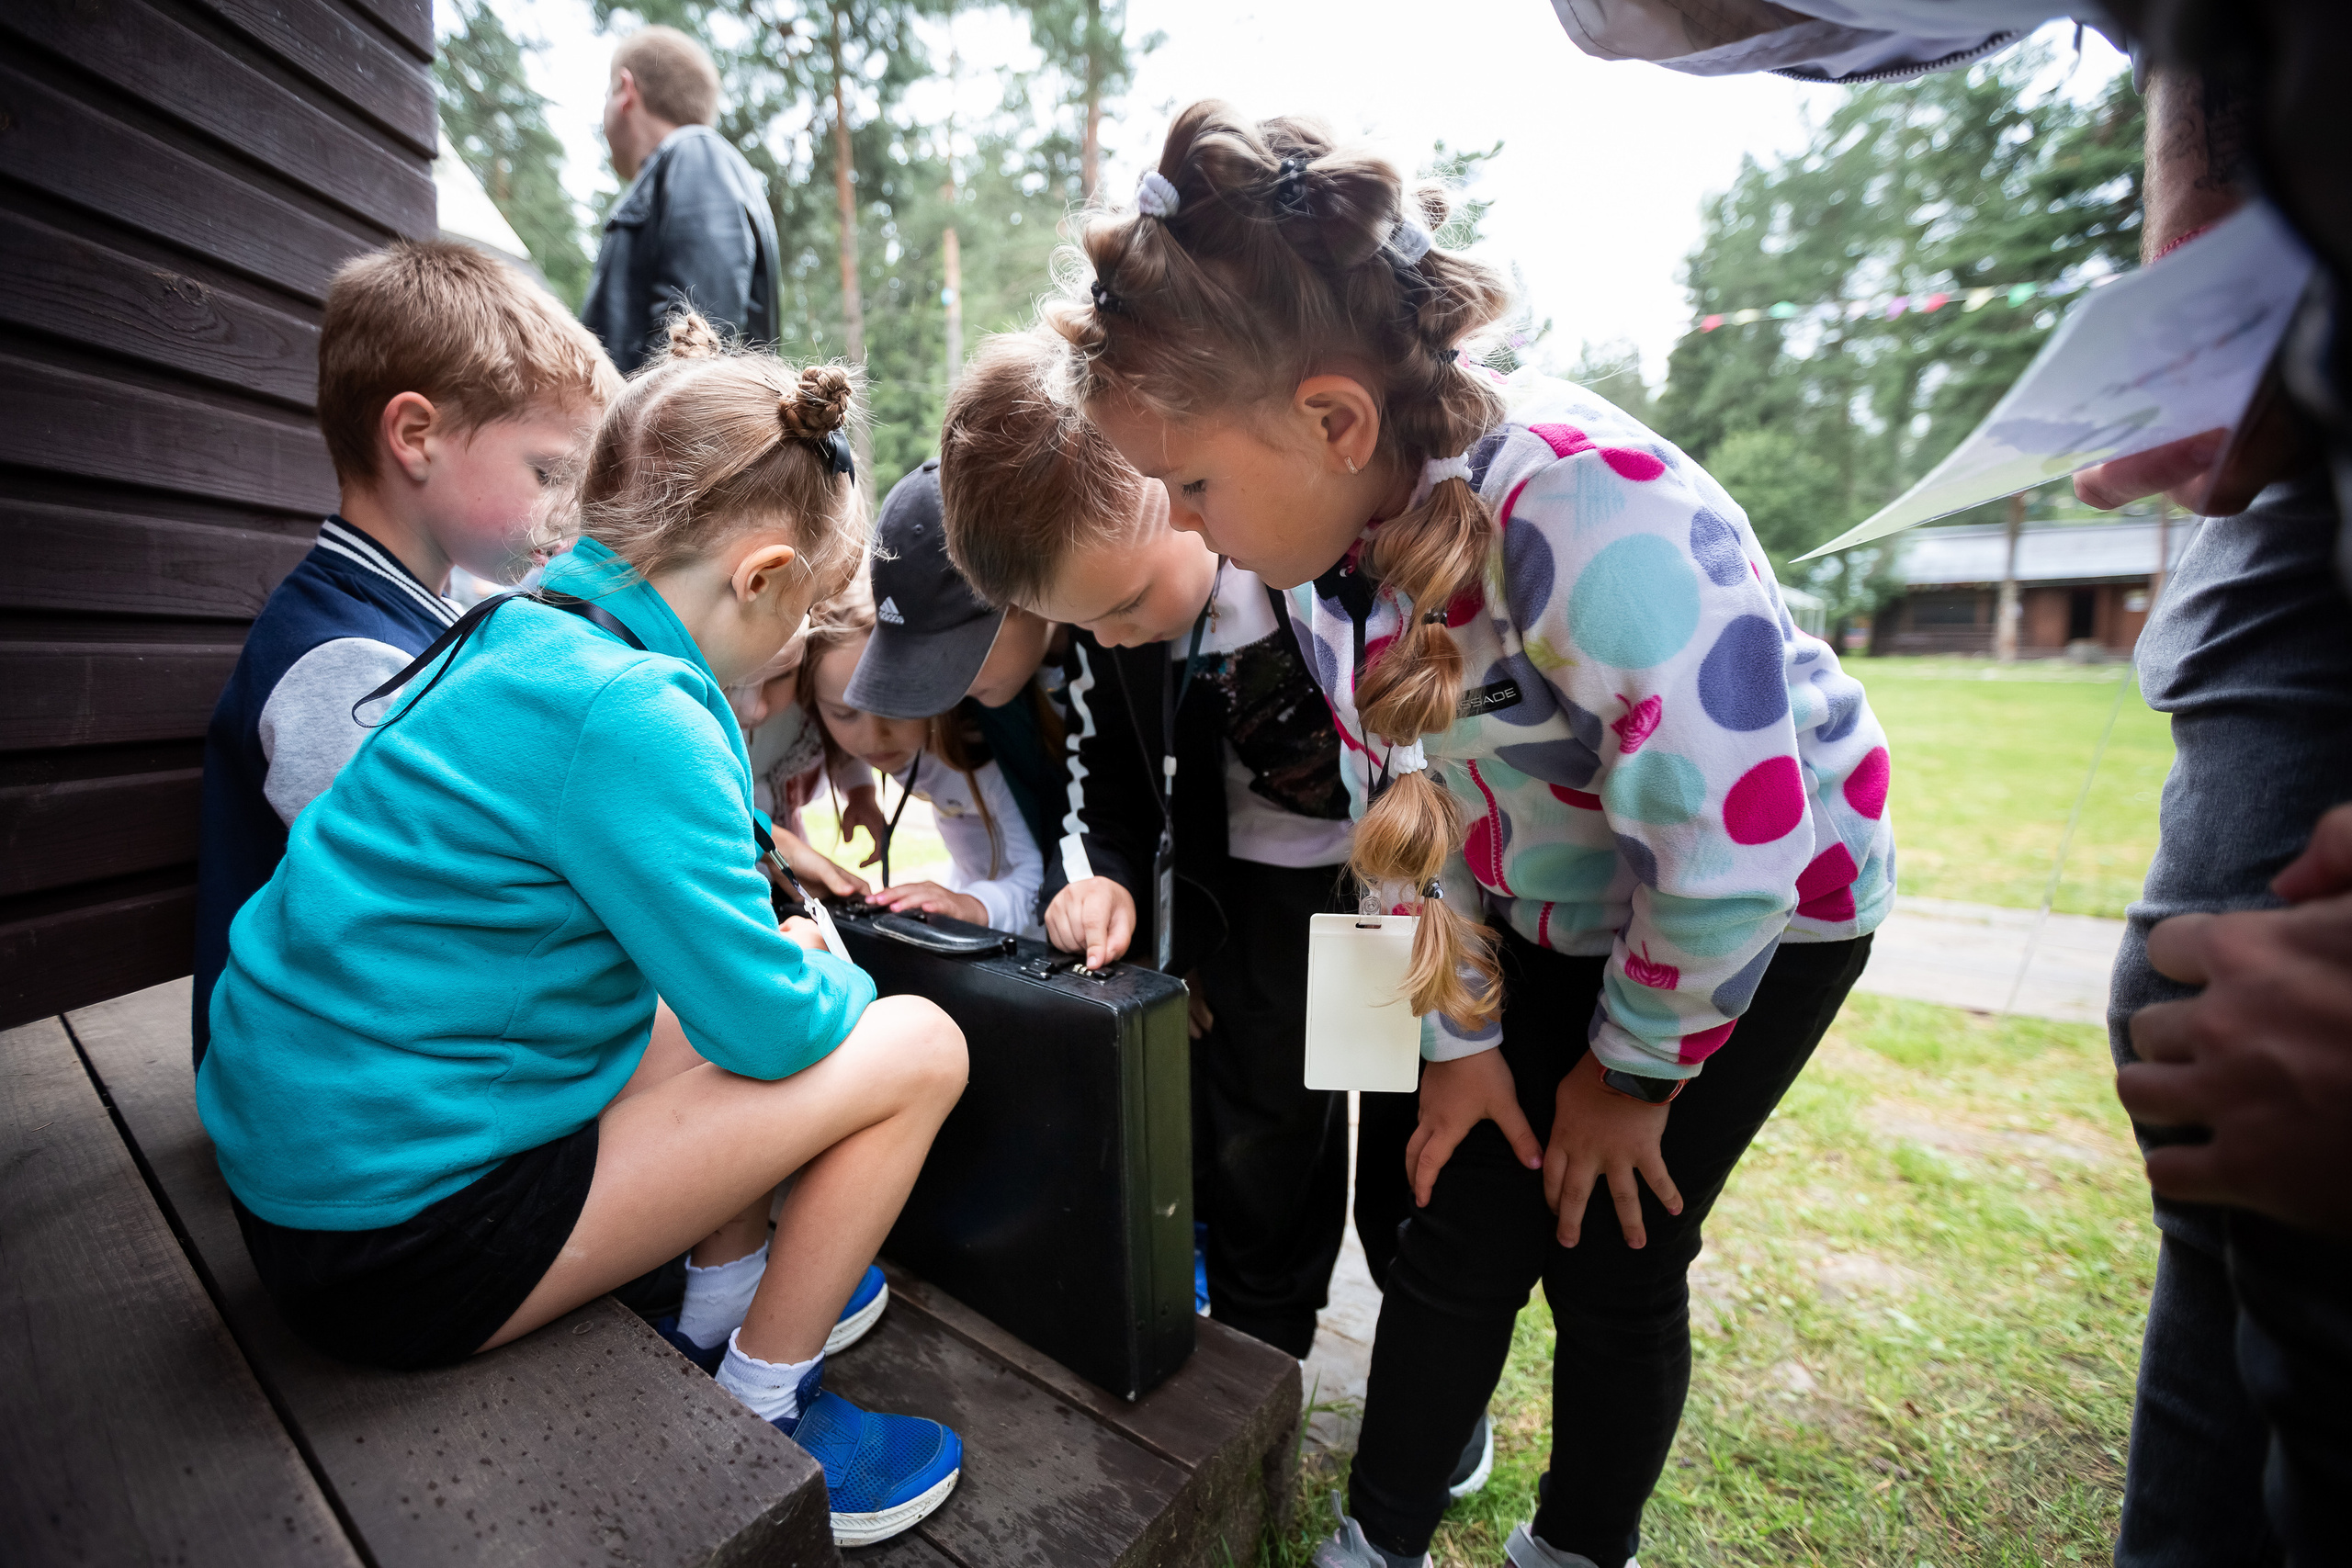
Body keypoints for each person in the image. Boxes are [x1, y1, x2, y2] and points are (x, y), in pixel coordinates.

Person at [1045, 105, 1894, 1568]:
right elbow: (1407, 825)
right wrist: (1466, 1045)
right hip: (1543, 903)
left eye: (1191, 484)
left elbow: (1729, 847)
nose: (1187, 523)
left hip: (1752, 919)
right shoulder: (1323, 572)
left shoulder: (1587, 507)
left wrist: (1629, 1078)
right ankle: (1375, 1539)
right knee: (1459, 1222)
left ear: (1332, 421)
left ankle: (1577, 1546)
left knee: (1617, 1243)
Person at [195, 314, 967, 1548]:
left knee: (682, 1002)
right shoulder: (638, 710)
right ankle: (770, 1404)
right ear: (761, 575)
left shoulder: (511, 632)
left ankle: (715, 1308)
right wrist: (824, 969)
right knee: (917, 1042)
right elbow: (769, 1025)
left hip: (308, 1181)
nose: (777, 682)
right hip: (400, 1246)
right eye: (799, 623)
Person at [938, 330, 1383, 1377]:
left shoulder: (1302, 566)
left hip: (1374, 907)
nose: (1117, 639)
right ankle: (1254, 1357)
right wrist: (1098, 875)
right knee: (1252, 1133)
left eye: (1129, 605)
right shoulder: (1111, 621)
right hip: (1237, 917)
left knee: (1380, 1125)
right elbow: (1105, 781)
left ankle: (1410, 1362)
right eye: (1088, 628)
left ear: (1170, 493)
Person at [192, 240, 617, 1066]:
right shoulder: (344, 662)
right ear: (415, 435)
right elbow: (418, 909)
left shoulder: (435, 615)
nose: (571, 512)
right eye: (549, 472)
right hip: (317, 1080)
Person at [842, 457, 1072, 886]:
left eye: (953, 654)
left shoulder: (1126, 651)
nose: (951, 687)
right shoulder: (996, 697)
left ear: (1018, 596)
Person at [804, 585, 1047, 936]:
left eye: (894, 708)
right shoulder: (866, 740)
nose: (874, 738)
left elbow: (1036, 880)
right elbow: (842, 750)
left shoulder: (983, 759)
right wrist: (860, 792)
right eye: (843, 714)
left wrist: (972, 906)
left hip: (1022, 926)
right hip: (967, 895)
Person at [582, 27, 780, 376]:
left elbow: (695, 361)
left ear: (626, 89)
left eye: (605, 93)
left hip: (661, 429)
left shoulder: (697, 155)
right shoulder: (694, 162)